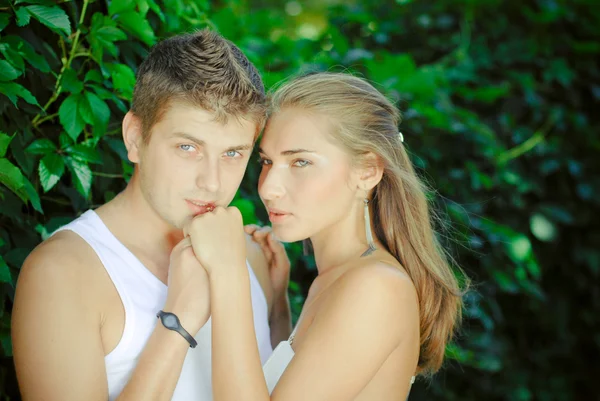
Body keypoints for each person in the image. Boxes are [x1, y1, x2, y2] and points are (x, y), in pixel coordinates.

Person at [11, 29, 292, 401]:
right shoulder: (63, 273)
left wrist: (278, 309)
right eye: (188, 147)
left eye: (232, 154)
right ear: (134, 137)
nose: (212, 182)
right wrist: (179, 319)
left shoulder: (252, 259)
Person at [185, 72, 465, 400]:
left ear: (367, 171)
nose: (269, 188)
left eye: (300, 162)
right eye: (266, 161)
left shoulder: (376, 287)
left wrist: (227, 273)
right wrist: (277, 311)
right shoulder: (340, 277)